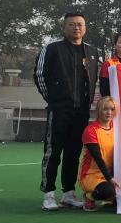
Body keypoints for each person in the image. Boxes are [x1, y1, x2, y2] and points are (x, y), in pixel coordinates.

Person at [35, 12, 103, 211]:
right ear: (64, 27)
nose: (76, 28)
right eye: (72, 24)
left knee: (73, 153)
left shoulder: (92, 52)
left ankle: (68, 193)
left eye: (80, 24)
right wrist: (53, 99)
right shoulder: (52, 48)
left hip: (81, 111)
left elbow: (99, 77)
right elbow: (39, 75)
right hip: (59, 110)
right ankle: (48, 193)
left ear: (85, 28)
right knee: (53, 152)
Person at [79, 96, 119, 212]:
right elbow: (98, 158)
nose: (109, 112)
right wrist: (110, 178)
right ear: (98, 111)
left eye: (112, 109)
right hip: (91, 175)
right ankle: (89, 196)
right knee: (108, 191)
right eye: (105, 109)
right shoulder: (91, 130)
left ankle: (111, 197)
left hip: (109, 173)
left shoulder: (116, 128)